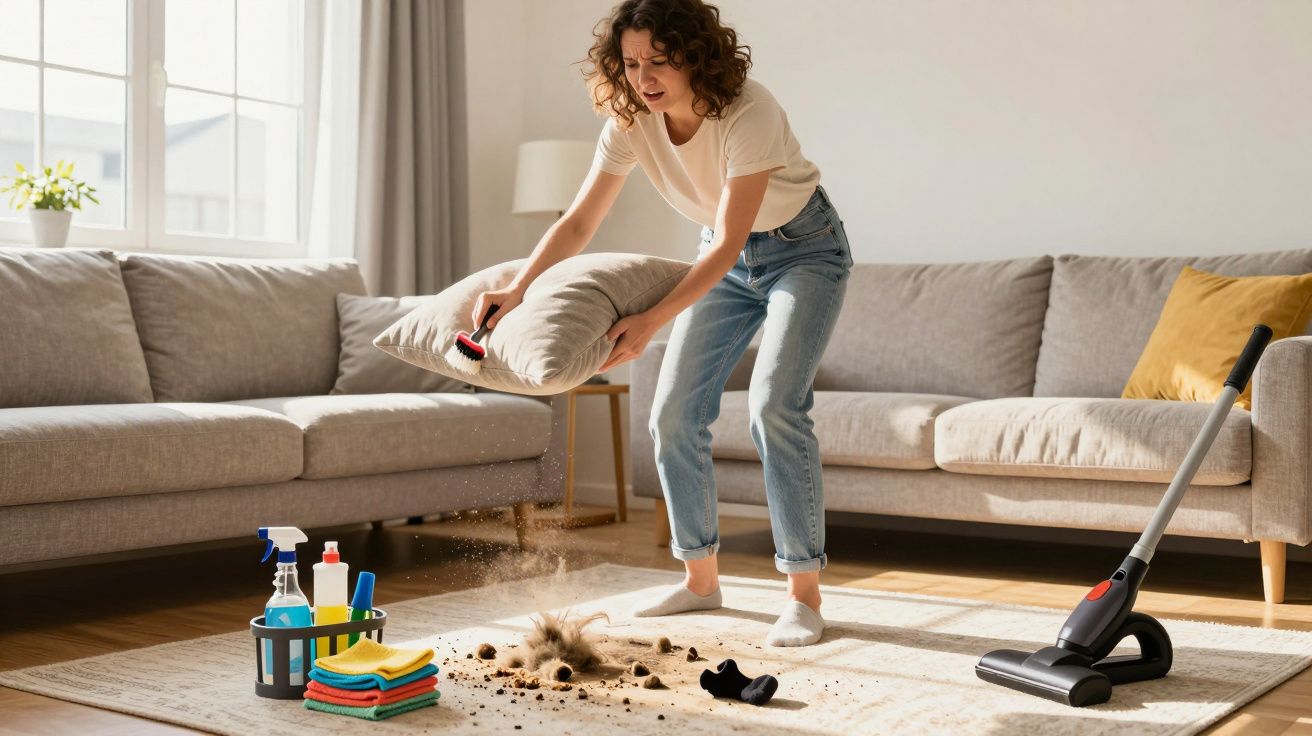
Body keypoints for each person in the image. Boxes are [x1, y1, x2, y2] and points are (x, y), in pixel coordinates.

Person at [471, 0, 852, 647]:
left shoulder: (747, 111)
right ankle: (701, 582)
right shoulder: (629, 121)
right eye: (630, 63)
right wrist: (517, 286)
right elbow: (580, 221)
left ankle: (803, 596)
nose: (644, 76)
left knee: (773, 407)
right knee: (671, 413)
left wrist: (649, 320)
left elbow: (732, 242)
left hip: (803, 252)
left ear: (694, 56)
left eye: (659, 60)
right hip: (723, 260)